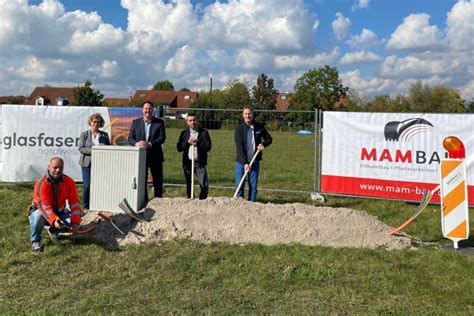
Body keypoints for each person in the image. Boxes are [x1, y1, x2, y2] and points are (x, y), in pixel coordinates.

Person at [28, 157, 82, 253]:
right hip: (42, 212)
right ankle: (35, 241)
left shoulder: (69, 182)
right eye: (55, 167)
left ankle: (54, 230)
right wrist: (54, 220)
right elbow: (44, 207)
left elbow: (74, 204)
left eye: (61, 168)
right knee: (38, 217)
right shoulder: (41, 184)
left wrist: (75, 222)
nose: (58, 170)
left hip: (60, 212)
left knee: (74, 224)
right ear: (49, 167)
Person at [128, 101, 166, 200]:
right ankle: (143, 202)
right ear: (142, 110)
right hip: (140, 156)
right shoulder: (135, 122)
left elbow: (162, 138)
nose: (147, 111)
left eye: (150, 109)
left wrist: (150, 144)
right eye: (146, 109)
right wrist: (136, 143)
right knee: (141, 181)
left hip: (156, 156)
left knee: (158, 181)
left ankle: (158, 202)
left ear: (153, 110)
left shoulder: (159, 123)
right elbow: (130, 138)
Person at [234, 106, 272, 202]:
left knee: (253, 186)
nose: (248, 116)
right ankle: (239, 204)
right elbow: (240, 148)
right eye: (246, 114)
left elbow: (269, 139)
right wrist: (245, 163)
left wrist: (263, 144)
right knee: (240, 185)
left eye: (249, 113)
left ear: (253, 114)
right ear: (243, 115)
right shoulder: (239, 129)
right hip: (241, 162)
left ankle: (252, 205)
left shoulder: (259, 127)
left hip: (254, 161)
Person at [78, 113, 110, 210]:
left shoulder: (105, 135)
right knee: (87, 186)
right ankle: (86, 207)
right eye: (94, 121)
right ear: (90, 122)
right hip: (86, 164)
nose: (95, 124)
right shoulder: (84, 134)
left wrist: (105, 147)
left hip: (100, 164)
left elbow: (109, 148)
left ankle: (97, 205)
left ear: (100, 124)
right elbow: (81, 149)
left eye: (98, 122)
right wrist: (95, 149)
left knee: (99, 186)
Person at [177, 113, 212, 199]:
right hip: (187, 163)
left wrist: (198, 144)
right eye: (190, 121)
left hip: (199, 163)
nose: (193, 122)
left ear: (197, 121)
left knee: (204, 184)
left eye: (194, 120)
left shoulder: (204, 133)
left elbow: (208, 147)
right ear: (187, 122)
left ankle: (202, 201)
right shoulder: (184, 133)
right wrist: (187, 143)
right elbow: (179, 148)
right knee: (189, 184)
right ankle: (191, 201)